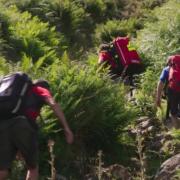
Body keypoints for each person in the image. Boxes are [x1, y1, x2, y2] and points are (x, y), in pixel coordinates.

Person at [0, 79, 74, 180]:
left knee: (3, 170)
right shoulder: (40, 89)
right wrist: (66, 128)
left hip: (3, 124)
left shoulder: (19, 94)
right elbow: (53, 104)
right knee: (33, 168)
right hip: (23, 125)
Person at [156, 56, 180, 129]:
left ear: (169, 62)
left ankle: (177, 132)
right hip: (173, 91)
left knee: (173, 113)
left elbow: (160, 83)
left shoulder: (166, 70)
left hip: (172, 92)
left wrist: (158, 97)